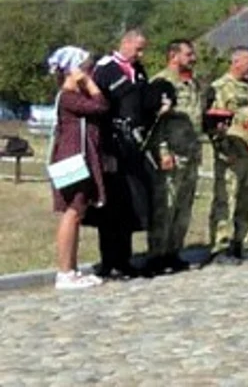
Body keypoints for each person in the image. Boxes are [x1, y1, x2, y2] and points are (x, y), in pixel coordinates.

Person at [89, 28, 155, 279]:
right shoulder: (106, 69)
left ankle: (125, 258)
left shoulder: (138, 71)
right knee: (111, 206)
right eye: (138, 48)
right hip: (111, 144)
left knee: (130, 202)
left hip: (133, 145)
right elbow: (98, 105)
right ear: (125, 43)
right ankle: (109, 260)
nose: (141, 54)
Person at [47, 46, 106, 290]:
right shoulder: (70, 97)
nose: (90, 72)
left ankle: (71, 269)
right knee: (72, 212)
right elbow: (101, 105)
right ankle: (64, 272)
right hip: (72, 158)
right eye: (86, 68)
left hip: (78, 157)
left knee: (77, 212)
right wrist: (90, 84)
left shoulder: (73, 96)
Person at [145, 39, 203, 274]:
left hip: (191, 152)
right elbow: (155, 122)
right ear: (173, 55)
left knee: (183, 207)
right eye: (188, 54)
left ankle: (173, 252)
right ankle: (156, 255)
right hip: (172, 153)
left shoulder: (192, 82)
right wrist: (163, 152)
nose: (193, 58)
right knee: (165, 207)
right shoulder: (162, 81)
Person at [205, 46, 248, 263]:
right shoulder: (220, 87)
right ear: (236, 62)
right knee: (226, 200)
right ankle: (221, 246)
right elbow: (213, 123)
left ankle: (243, 242)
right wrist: (222, 149)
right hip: (231, 153)